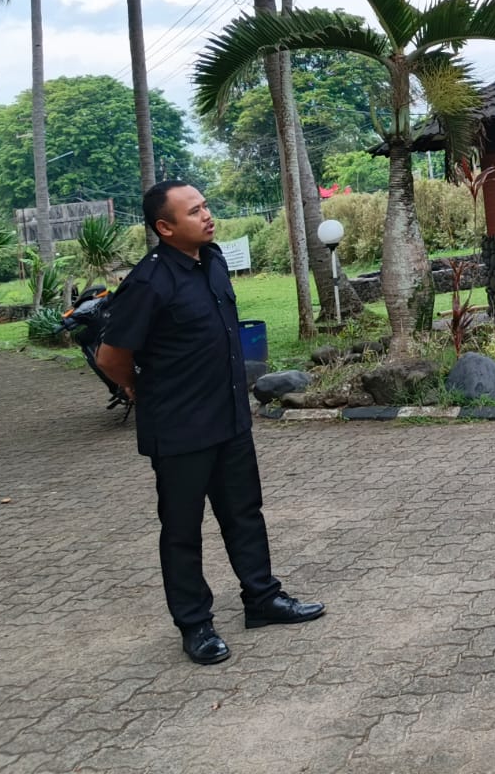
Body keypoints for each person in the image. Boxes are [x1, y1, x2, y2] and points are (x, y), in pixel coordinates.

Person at [97, 181, 324, 665]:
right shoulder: (149, 282)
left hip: (229, 417)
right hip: (180, 428)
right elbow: (111, 356)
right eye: (194, 210)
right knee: (182, 529)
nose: (207, 215)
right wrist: (138, 389)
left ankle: (262, 599)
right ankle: (195, 624)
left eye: (205, 206)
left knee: (245, 513)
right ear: (165, 227)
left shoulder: (213, 261)